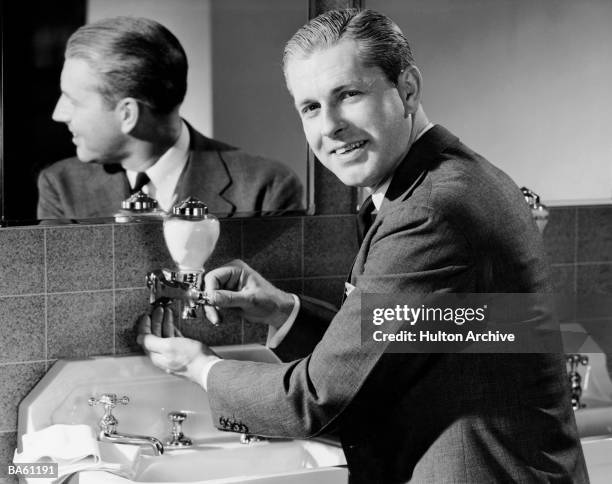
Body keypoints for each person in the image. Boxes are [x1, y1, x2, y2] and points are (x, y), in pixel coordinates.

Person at [138, 9, 588, 483]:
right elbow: (398, 348)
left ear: (408, 89)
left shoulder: (431, 210)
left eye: (348, 94)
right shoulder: (450, 181)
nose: (329, 126)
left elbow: (320, 400)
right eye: (310, 107)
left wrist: (200, 367)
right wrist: (283, 310)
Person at [36, 16, 303, 220]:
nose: (58, 114)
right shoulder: (61, 186)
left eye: (72, 100)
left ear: (128, 114)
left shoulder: (266, 189)